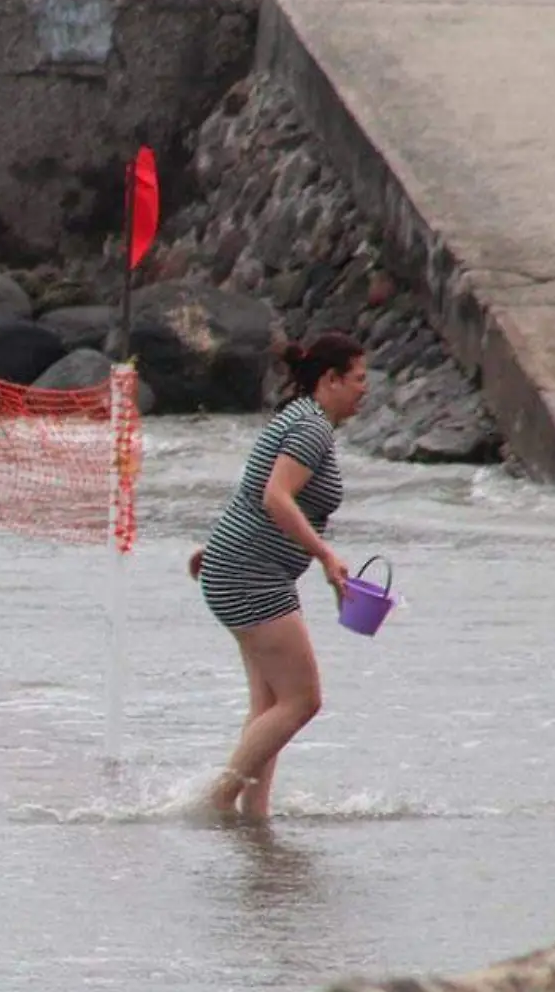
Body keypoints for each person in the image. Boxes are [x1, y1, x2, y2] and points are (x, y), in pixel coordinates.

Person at [186, 331, 369, 821]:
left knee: (271, 704)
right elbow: (274, 496)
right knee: (303, 700)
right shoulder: (311, 428)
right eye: (358, 379)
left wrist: (217, 545)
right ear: (329, 380)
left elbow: (253, 490)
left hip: (240, 564)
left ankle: (253, 819)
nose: (364, 390)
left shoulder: (301, 418)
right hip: (251, 573)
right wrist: (327, 556)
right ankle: (215, 804)